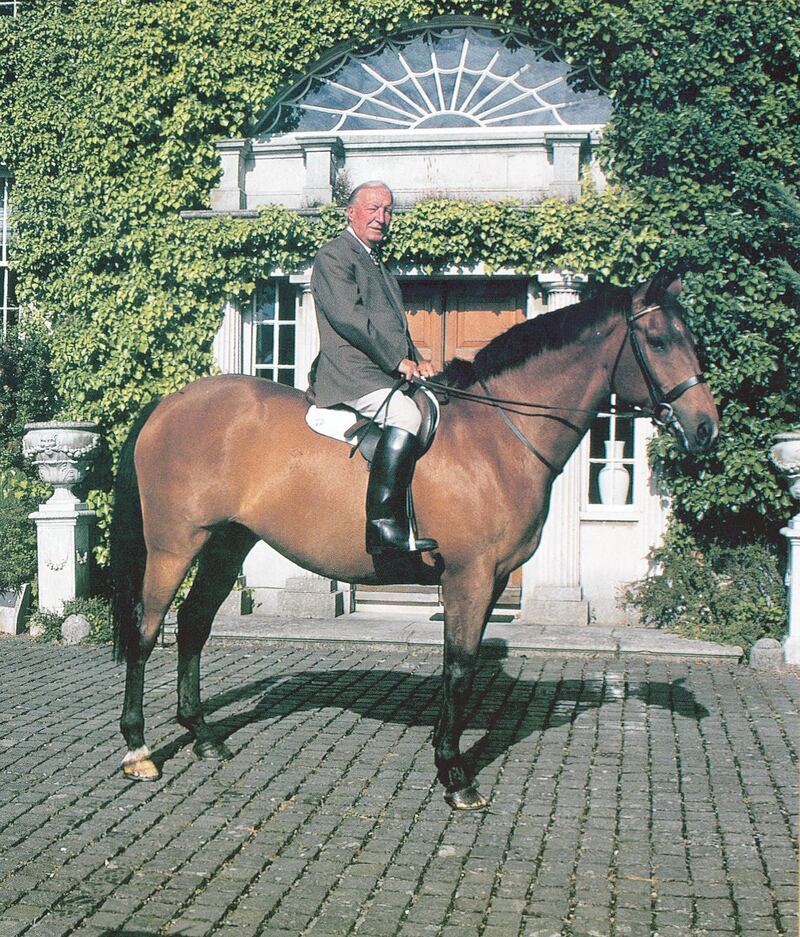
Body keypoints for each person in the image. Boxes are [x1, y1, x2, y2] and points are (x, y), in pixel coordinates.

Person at [310, 181, 439, 556]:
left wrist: (416, 359)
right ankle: (382, 526)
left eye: (387, 210)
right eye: (372, 209)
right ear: (351, 212)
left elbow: (393, 325)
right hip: (352, 372)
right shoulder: (335, 256)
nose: (381, 218)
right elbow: (351, 320)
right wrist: (396, 361)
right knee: (406, 417)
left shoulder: (376, 262)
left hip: (382, 370)